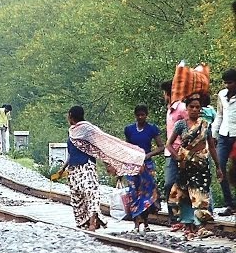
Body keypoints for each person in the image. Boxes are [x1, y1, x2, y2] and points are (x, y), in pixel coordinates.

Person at [56, 105, 145, 231]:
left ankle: (92, 222)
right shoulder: (71, 131)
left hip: (87, 167)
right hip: (73, 170)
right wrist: (63, 168)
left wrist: (109, 164)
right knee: (77, 198)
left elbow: (102, 147)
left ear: (71, 115)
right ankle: (87, 223)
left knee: (91, 194)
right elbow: (71, 153)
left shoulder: (88, 130)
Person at [166, 94, 223, 239]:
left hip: (201, 164)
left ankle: (201, 226)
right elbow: (169, 144)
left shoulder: (205, 125)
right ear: (187, 108)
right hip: (185, 165)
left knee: (201, 195)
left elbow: (211, 147)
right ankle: (188, 226)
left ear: (200, 109)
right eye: (191, 106)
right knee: (184, 195)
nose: (194, 109)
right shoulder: (181, 125)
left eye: (197, 107)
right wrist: (178, 157)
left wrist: (218, 167)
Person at [123, 104, 164, 233]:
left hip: (147, 165)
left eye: (143, 115)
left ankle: (146, 222)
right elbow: (127, 145)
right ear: (135, 116)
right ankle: (136, 223)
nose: (141, 117)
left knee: (147, 194)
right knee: (134, 192)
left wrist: (148, 155)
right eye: (138, 115)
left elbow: (161, 147)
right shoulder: (129, 129)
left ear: (146, 115)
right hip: (133, 165)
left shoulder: (152, 129)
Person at [160, 80, 188, 231]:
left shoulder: (182, 108)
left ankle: (183, 217)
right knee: (169, 184)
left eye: (164, 93)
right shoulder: (169, 109)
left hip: (182, 152)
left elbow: (189, 126)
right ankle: (173, 217)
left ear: (169, 93)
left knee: (182, 184)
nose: (163, 96)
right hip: (170, 152)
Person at [212, 68, 236, 216]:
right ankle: (229, 203)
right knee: (219, 167)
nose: (227, 85)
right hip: (223, 134)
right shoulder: (221, 95)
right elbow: (220, 115)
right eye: (226, 83)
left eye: (230, 82)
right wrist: (214, 134)